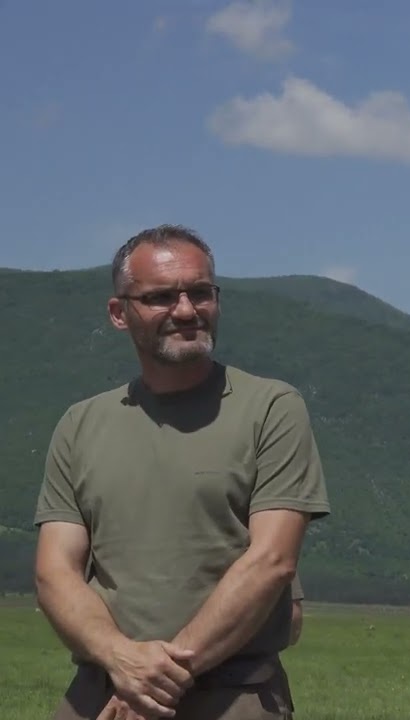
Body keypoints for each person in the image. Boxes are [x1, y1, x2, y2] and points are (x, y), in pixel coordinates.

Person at [32, 225, 331, 720]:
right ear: (118, 313)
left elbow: (272, 560)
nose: (187, 310)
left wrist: (156, 680)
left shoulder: (271, 408)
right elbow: (54, 572)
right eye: (161, 297)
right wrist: (120, 660)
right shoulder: (80, 424)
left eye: (200, 292)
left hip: (231, 696)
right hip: (100, 694)